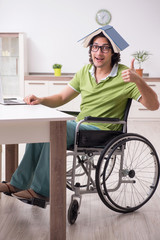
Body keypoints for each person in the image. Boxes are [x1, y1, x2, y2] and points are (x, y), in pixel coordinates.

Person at [0, 29, 159, 204]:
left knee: (54, 127)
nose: (99, 52)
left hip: (103, 131)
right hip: (81, 126)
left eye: (105, 48)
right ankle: (18, 184)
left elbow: (153, 105)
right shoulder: (85, 71)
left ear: (114, 52)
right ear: (90, 50)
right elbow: (61, 97)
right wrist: (41, 99)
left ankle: (41, 191)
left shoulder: (125, 76)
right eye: (95, 47)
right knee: (43, 126)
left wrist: (138, 80)